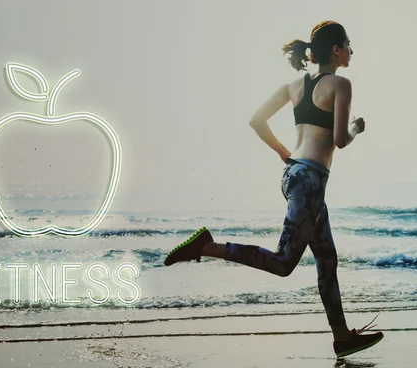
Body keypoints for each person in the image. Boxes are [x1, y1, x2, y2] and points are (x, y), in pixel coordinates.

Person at [163, 20, 384, 359]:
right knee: (283, 263)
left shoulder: (294, 85)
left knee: (327, 258)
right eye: (349, 44)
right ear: (336, 49)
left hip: (296, 175)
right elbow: (339, 140)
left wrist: (283, 151)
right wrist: (355, 127)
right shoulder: (341, 84)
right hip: (310, 182)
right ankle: (207, 247)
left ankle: (342, 337)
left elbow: (256, 120)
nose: (353, 50)